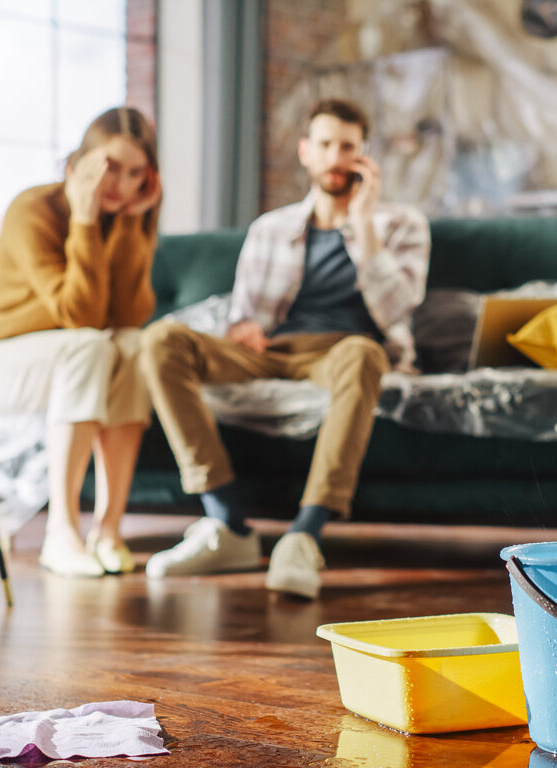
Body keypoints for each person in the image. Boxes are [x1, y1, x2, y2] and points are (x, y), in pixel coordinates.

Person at [140, 98, 430, 599]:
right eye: (325, 145)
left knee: (364, 353)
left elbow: (399, 308)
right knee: (161, 340)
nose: (335, 157)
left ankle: (304, 536)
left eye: (348, 147)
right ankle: (227, 523)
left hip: (345, 353)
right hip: (272, 350)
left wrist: (361, 225)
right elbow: (244, 316)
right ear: (305, 152)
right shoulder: (269, 229)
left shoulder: (400, 225)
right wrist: (244, 329)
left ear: (364, 156)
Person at [0, 106, 162, 578]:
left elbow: (128, 317)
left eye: (135, 173)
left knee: (134, 346)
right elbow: (81, 317)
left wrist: (130, 225)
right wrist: (85, 221)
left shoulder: (126, 217)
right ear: (79, 163)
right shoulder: (34, 209)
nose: (120, 184)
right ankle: (61, 533)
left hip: (69, 359)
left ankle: (108, 529)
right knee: (89, 344)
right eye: (110, 167)